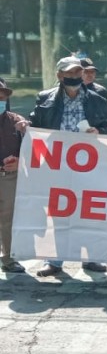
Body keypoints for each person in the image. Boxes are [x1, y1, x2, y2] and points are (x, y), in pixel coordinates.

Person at [30, 56, 107, 277]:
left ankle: (91, 259)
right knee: (60, 213)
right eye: (70, 73)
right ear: (60, 75)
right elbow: (35, 127)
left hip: (88, 165)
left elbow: (106, 126)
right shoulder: (45, 98)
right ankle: (55, 262)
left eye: (78, 73)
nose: (75, 77)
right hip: (57, 165)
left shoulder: (97, 99)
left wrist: (100, 132)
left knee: (88, 212)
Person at [0, 78, 30, 273]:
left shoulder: (16, 121)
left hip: (9, 178)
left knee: (8, 220)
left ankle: (9, 260)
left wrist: (27, 131)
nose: (0, 100)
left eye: (2, 96)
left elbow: (34, 148)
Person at [81, 58, 107, 126]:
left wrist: (100, 126)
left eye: (92, 72)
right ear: (79, 73)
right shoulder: (71, 90)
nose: (90, 74)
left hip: (95, 133)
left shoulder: (101, 91)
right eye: (86, 71)